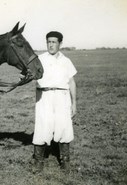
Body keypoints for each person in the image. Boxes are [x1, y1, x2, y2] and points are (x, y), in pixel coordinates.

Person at [32, 31, 77, 173]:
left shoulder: (66, 61)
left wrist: (74, 102)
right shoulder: (39, 59)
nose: (51, 45)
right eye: (48, 42)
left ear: (60, 44)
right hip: (44, 96)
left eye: (54, 42)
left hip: (62, 96)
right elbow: (28, 74)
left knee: (64, 126)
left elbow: (71, 82)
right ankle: (38, 161)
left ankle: (65, 161)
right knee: (42, 126)